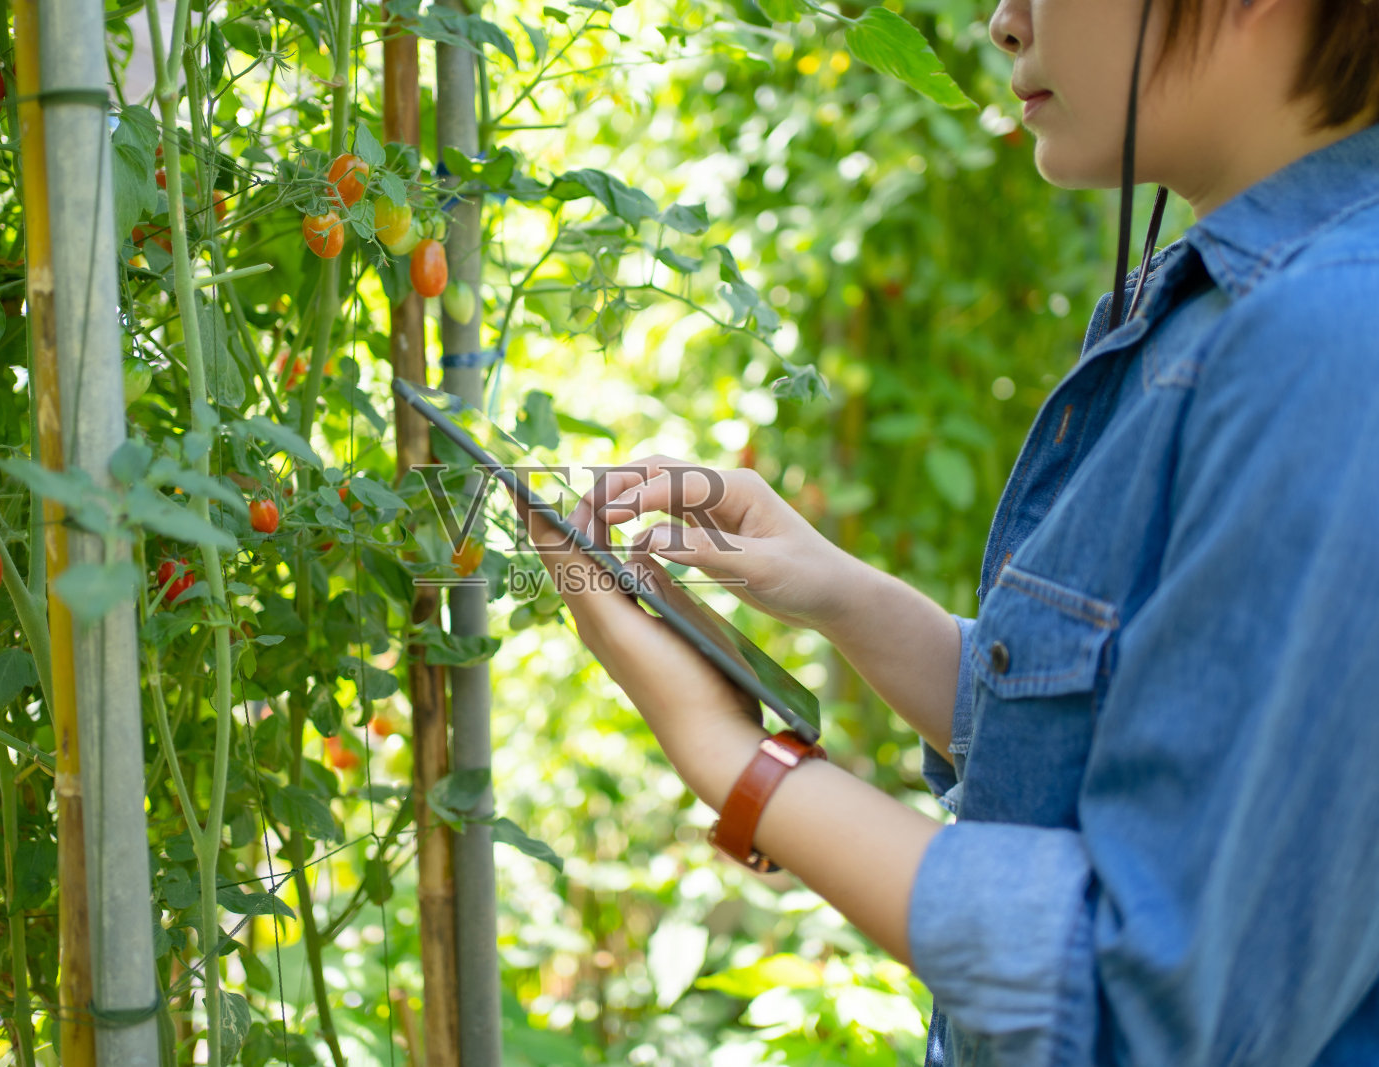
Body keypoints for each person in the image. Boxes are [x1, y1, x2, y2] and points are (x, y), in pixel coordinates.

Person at [515, 0, 1379, 1063]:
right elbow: (1142, 739)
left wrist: (735, 757)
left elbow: (1141, 1001)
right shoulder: (1232, 299)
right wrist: (843, 594)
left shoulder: (1334, 338)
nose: (1003, 23)